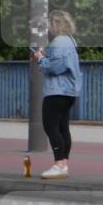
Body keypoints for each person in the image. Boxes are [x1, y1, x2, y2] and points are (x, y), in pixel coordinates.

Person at [33, 10, 82, 179]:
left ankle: (59, 163)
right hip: (69, 90)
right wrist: (47, 55)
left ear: (55, 24)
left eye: (50, 24)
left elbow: (54, 68)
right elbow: (61, 61)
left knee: (50, 126)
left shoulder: (59, 41)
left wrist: (40, 58)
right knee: (62, 127)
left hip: (57, 90)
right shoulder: (70, 41)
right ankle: (64, 164)